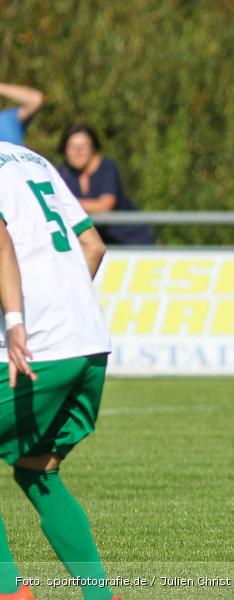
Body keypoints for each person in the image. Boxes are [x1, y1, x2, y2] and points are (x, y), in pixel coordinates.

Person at [0, 142, 120, 600]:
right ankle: (100, 595)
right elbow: (93, 244)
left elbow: (1, 241)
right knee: (38, 471)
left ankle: (8, 591)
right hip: (87, 341)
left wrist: (17, 321)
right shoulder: (29, 158)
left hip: (39, 345)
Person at [57, 123, 155, 245]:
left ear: (93, 147)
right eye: (72, 147)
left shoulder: (107, 167)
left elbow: (105, 205)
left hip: (132, 242)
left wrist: (67, 203)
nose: (78, 152)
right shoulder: (62, 173)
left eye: (83, 146)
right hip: (99, 245)